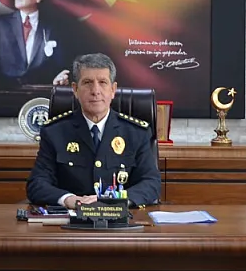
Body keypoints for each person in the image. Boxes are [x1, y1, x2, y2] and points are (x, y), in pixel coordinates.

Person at [26, 53, 160, 208]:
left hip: (121, 218)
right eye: (87, 82)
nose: (95, 90)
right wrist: (69, 199)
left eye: (102, 82)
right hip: (71, 217)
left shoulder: (136, 133)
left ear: (113, 90)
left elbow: (151, 183)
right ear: (75, 90)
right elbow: (37, 184)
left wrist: (115, 201)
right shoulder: (54, 132)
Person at [0, 0, 70, 95]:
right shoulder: (0, 24)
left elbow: (61, 64)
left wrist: (60, 77)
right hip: (5, 92)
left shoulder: (52, 27)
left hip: (41, 93)